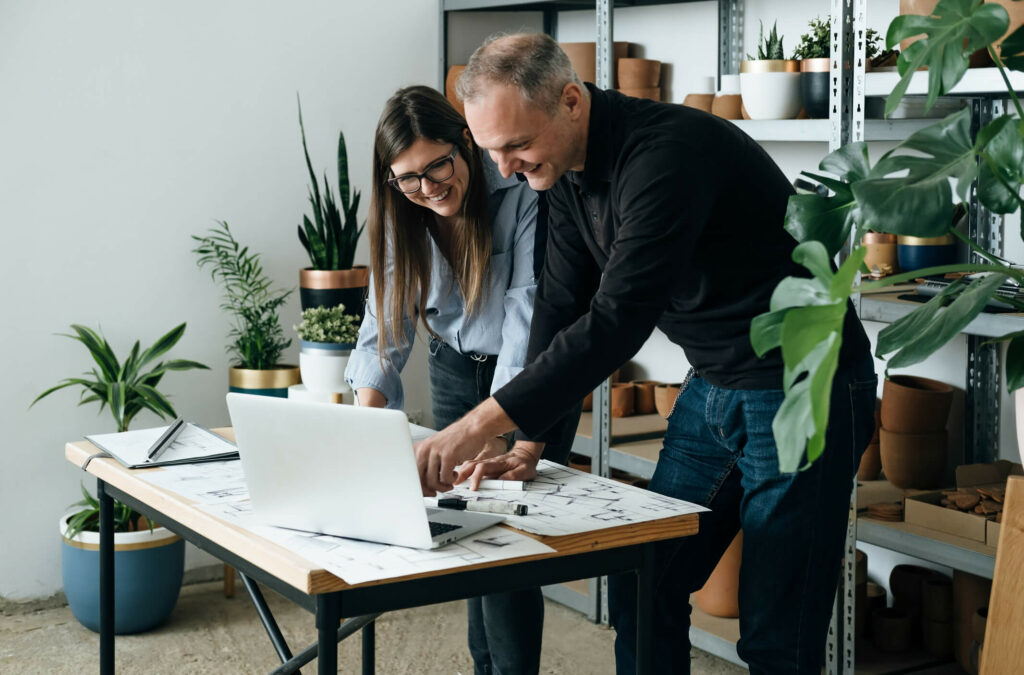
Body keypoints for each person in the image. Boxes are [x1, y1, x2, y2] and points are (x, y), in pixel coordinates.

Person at [415, 34, 877, 674]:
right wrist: (527, 443)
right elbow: (560, 302)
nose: (504, 169)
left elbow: (617, 320)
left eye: (517, 145)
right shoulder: (568, 171)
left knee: (777, 632)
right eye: (491, 150)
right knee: (645, 582)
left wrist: (476, 424)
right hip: (713, 384)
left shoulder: (667, 155)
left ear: (571, 101)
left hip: (806, 388)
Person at [343, 85, 578, 675]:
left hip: (527, 375)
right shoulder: (402, 211)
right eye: (408, 178)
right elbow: (385, 324)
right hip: (452, 370)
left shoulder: (520, 194)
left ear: (464, 142)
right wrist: (362, 428)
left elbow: (528, 317)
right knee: (464, 538)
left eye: (438, 165)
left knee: (508, 550)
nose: (428, 187)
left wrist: (496, 429)